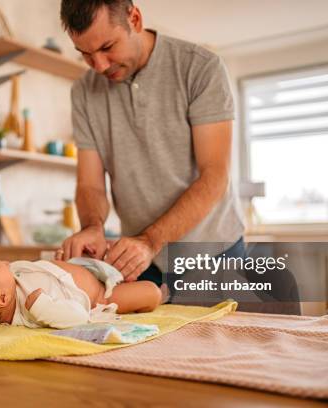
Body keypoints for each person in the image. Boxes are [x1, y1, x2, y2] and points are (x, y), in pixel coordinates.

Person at [56, 0, 245, 292]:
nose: (99, 66)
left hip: (214, 253)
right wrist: (93, 227)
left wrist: (150, 241)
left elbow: (214, 176)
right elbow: (90, 185)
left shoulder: (200, 67)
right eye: (85, 54)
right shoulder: (83, 91)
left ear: (134, 18)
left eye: (107, 47)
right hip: (142, 262)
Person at [0, 255, 161, 330]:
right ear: (2, 299)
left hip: (85, 266)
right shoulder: (33, 311)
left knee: (125, 260)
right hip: (100, 295)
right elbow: (79, 317)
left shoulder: (12, 278)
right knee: (151, 293)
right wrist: (44, 308)